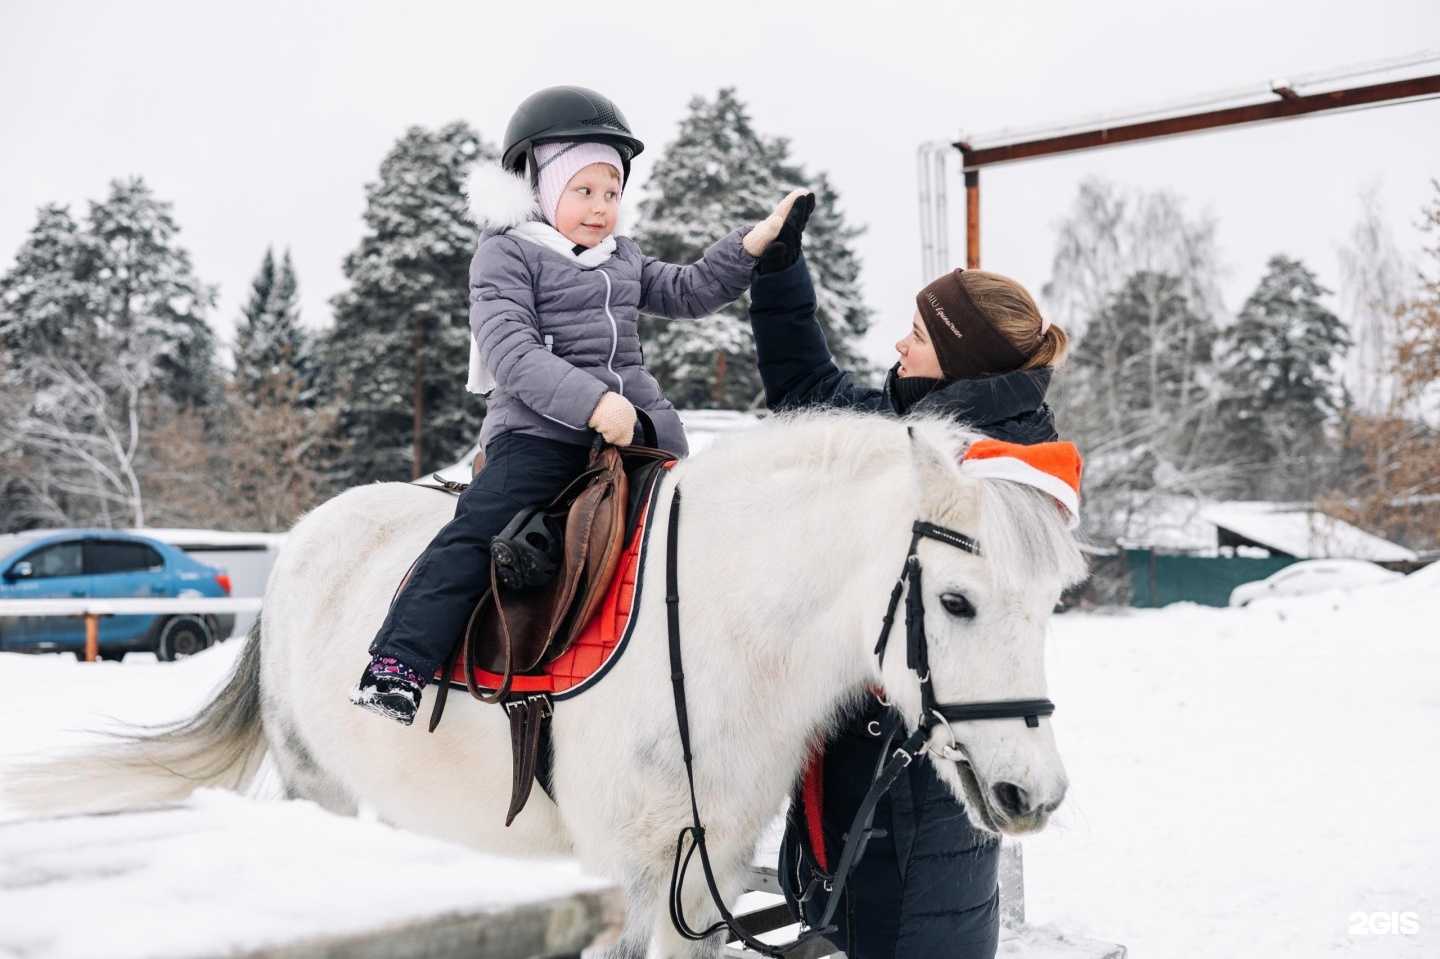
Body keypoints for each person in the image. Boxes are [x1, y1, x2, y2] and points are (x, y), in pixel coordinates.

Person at [351, 85, 804, 726]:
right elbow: (511, 350)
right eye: (583, 191)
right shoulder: (506, 254)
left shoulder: (624, 257)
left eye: (611, 192)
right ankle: (398, 662)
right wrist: (592, 403)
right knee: (479, 529)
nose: (599, 209)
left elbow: (691, 290)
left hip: (638, 431)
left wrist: (750, 246)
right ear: (540, 188)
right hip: (538, 434)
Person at [746, 194, 1069, 958]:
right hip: (871, 769)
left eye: (919, 335)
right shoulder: (918, 429)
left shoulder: (990, 470)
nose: (899, 342)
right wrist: (781, 273)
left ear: (960, 358)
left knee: (906, 933)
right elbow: (808, 396)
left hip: (915, 782)